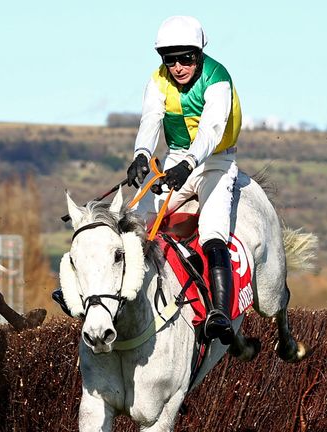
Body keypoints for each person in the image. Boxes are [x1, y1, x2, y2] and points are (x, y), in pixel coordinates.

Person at [125, 15, 243, 344]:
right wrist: (141, 155)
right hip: (178, 158)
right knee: (133, 218)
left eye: (186, 58)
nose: (177, 67)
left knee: (213, 230)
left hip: (216, 161)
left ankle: (220, 312)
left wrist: (188, 164)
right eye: (169, 59)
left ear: (199, 54)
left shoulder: (218, 79)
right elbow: (150, 119)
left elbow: (211, 131)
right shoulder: (157, 80)